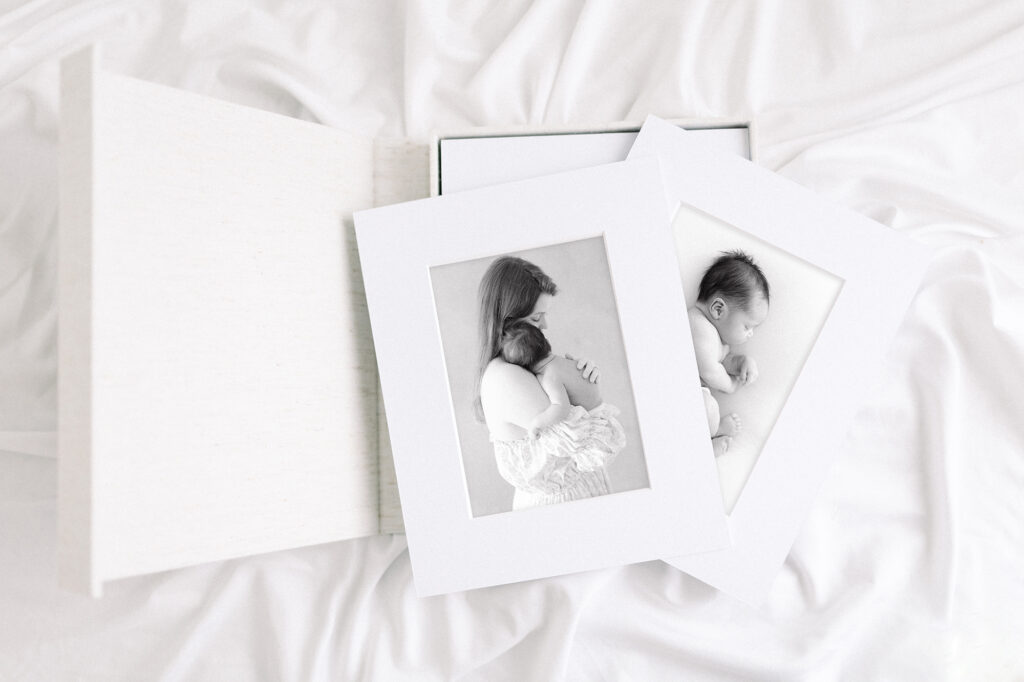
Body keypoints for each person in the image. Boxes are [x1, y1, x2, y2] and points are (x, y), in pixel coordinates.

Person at [477, 255, 622, 510]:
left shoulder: (520, 365)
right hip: (560, 507)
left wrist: (578, 376)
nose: (545, 325)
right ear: (507, 320)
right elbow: (595, 446)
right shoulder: (505, 377)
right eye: (536, 318)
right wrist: (588, 396)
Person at [687, 250, 770, 456]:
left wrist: (742, 362)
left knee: (704, 408)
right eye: (747, 326)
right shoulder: (698, 326)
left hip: (690, 398)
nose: (750, 334)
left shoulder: (715, 338)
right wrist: (731, 385)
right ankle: (710, 439)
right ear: (718, 309)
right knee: (708, 407)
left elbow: (722, 361)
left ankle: (707, 439)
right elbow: (710, 371)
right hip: (679, 392)